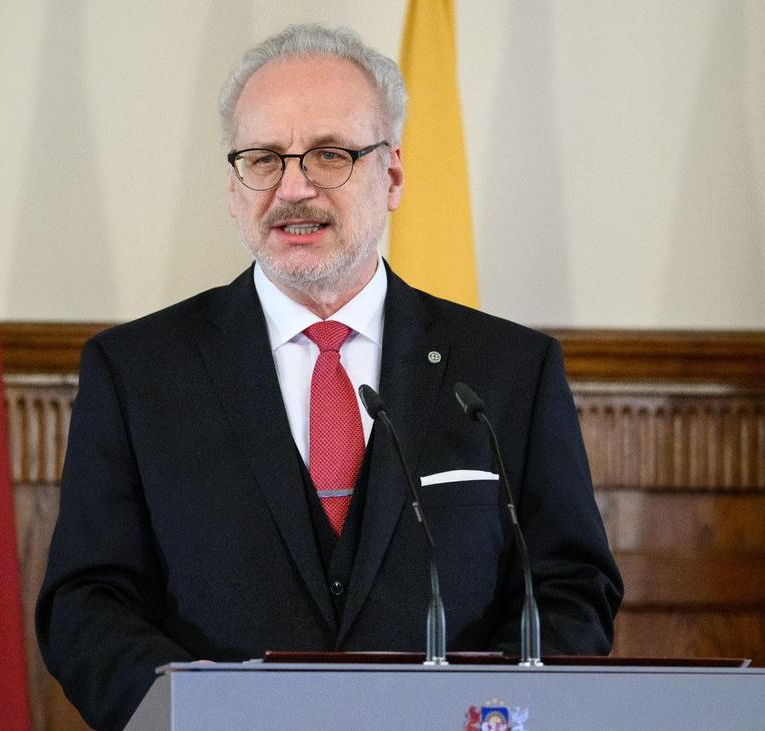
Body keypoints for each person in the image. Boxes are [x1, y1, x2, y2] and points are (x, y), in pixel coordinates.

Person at [36, 24, 622, 731]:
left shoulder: (510, 371)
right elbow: (86, 603)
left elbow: (571, 588)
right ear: (232, 184)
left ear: (392, 175)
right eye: (263, 159)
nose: (293, 188)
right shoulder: (137, 373)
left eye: (329, 155)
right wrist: (199, 715)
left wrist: (481, 719)